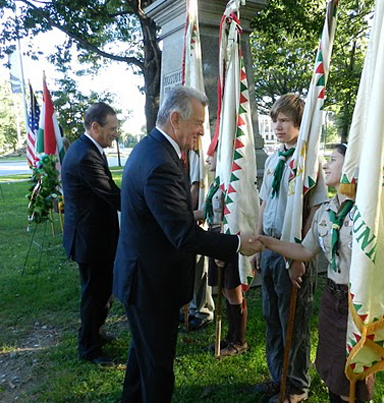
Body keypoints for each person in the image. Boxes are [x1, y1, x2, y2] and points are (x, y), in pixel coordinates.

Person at [113, 86, 263, 403]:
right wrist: (236, 244)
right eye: (197, 122)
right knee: (157, 372)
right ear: (176, 118)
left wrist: (196, 212)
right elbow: (182, 235)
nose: (200, 131)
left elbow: (163, 215)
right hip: (149, 286)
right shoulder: (161, 163)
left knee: (143, 362)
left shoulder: (152, 149)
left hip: (144, 280)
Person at [252, 144, 374, 403]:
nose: (326, 164)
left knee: (354, 374)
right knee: (331, 370)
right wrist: (265, 241)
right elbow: (305, 251)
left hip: (357, 301)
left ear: (351, 166)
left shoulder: (367, 213)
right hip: (332, 299)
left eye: (333, 159)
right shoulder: (325, 212)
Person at [251, 94, 327, 403]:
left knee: (293, 320)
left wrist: (299, 258)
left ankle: (296, 385)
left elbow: (313, 211)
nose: (278, 127)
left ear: (299, 123)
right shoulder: (273, 159)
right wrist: (257, 244)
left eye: (284, 121)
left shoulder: (309, 161)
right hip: (269, 247)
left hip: (292, 252)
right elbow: (263, 203)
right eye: (275, 121)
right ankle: (277, 376)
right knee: (272, 316)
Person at [62, 102, 121, 366]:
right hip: (90, 239)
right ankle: (89, 348)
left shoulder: (88, 149)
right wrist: (145, 203)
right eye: (112, 129)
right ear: (95, 127)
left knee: (101, 291)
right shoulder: (85, 155)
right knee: (94, 294)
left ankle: (94, 333)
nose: (115, 134)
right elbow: (110, 193)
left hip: (96, 236)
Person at [195, 152, 248, 356]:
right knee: (225, 290)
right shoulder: (218, 182)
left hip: (229, 240)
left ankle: (239, 340)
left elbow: (231, 215)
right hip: (216, 238)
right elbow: (210, 212)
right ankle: (231, 335)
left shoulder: (231, 183)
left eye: (212, 154)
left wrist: (222, 251)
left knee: (233, 290)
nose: (207, 159)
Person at [184, 149, 215, 331]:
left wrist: (186, 215)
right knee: (190, 267)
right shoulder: (181, 151)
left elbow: (196, 186)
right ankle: (193, 307)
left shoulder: (197, 153)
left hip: (195, 217)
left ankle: (203, 310)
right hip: (188, 216)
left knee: (199, 266)